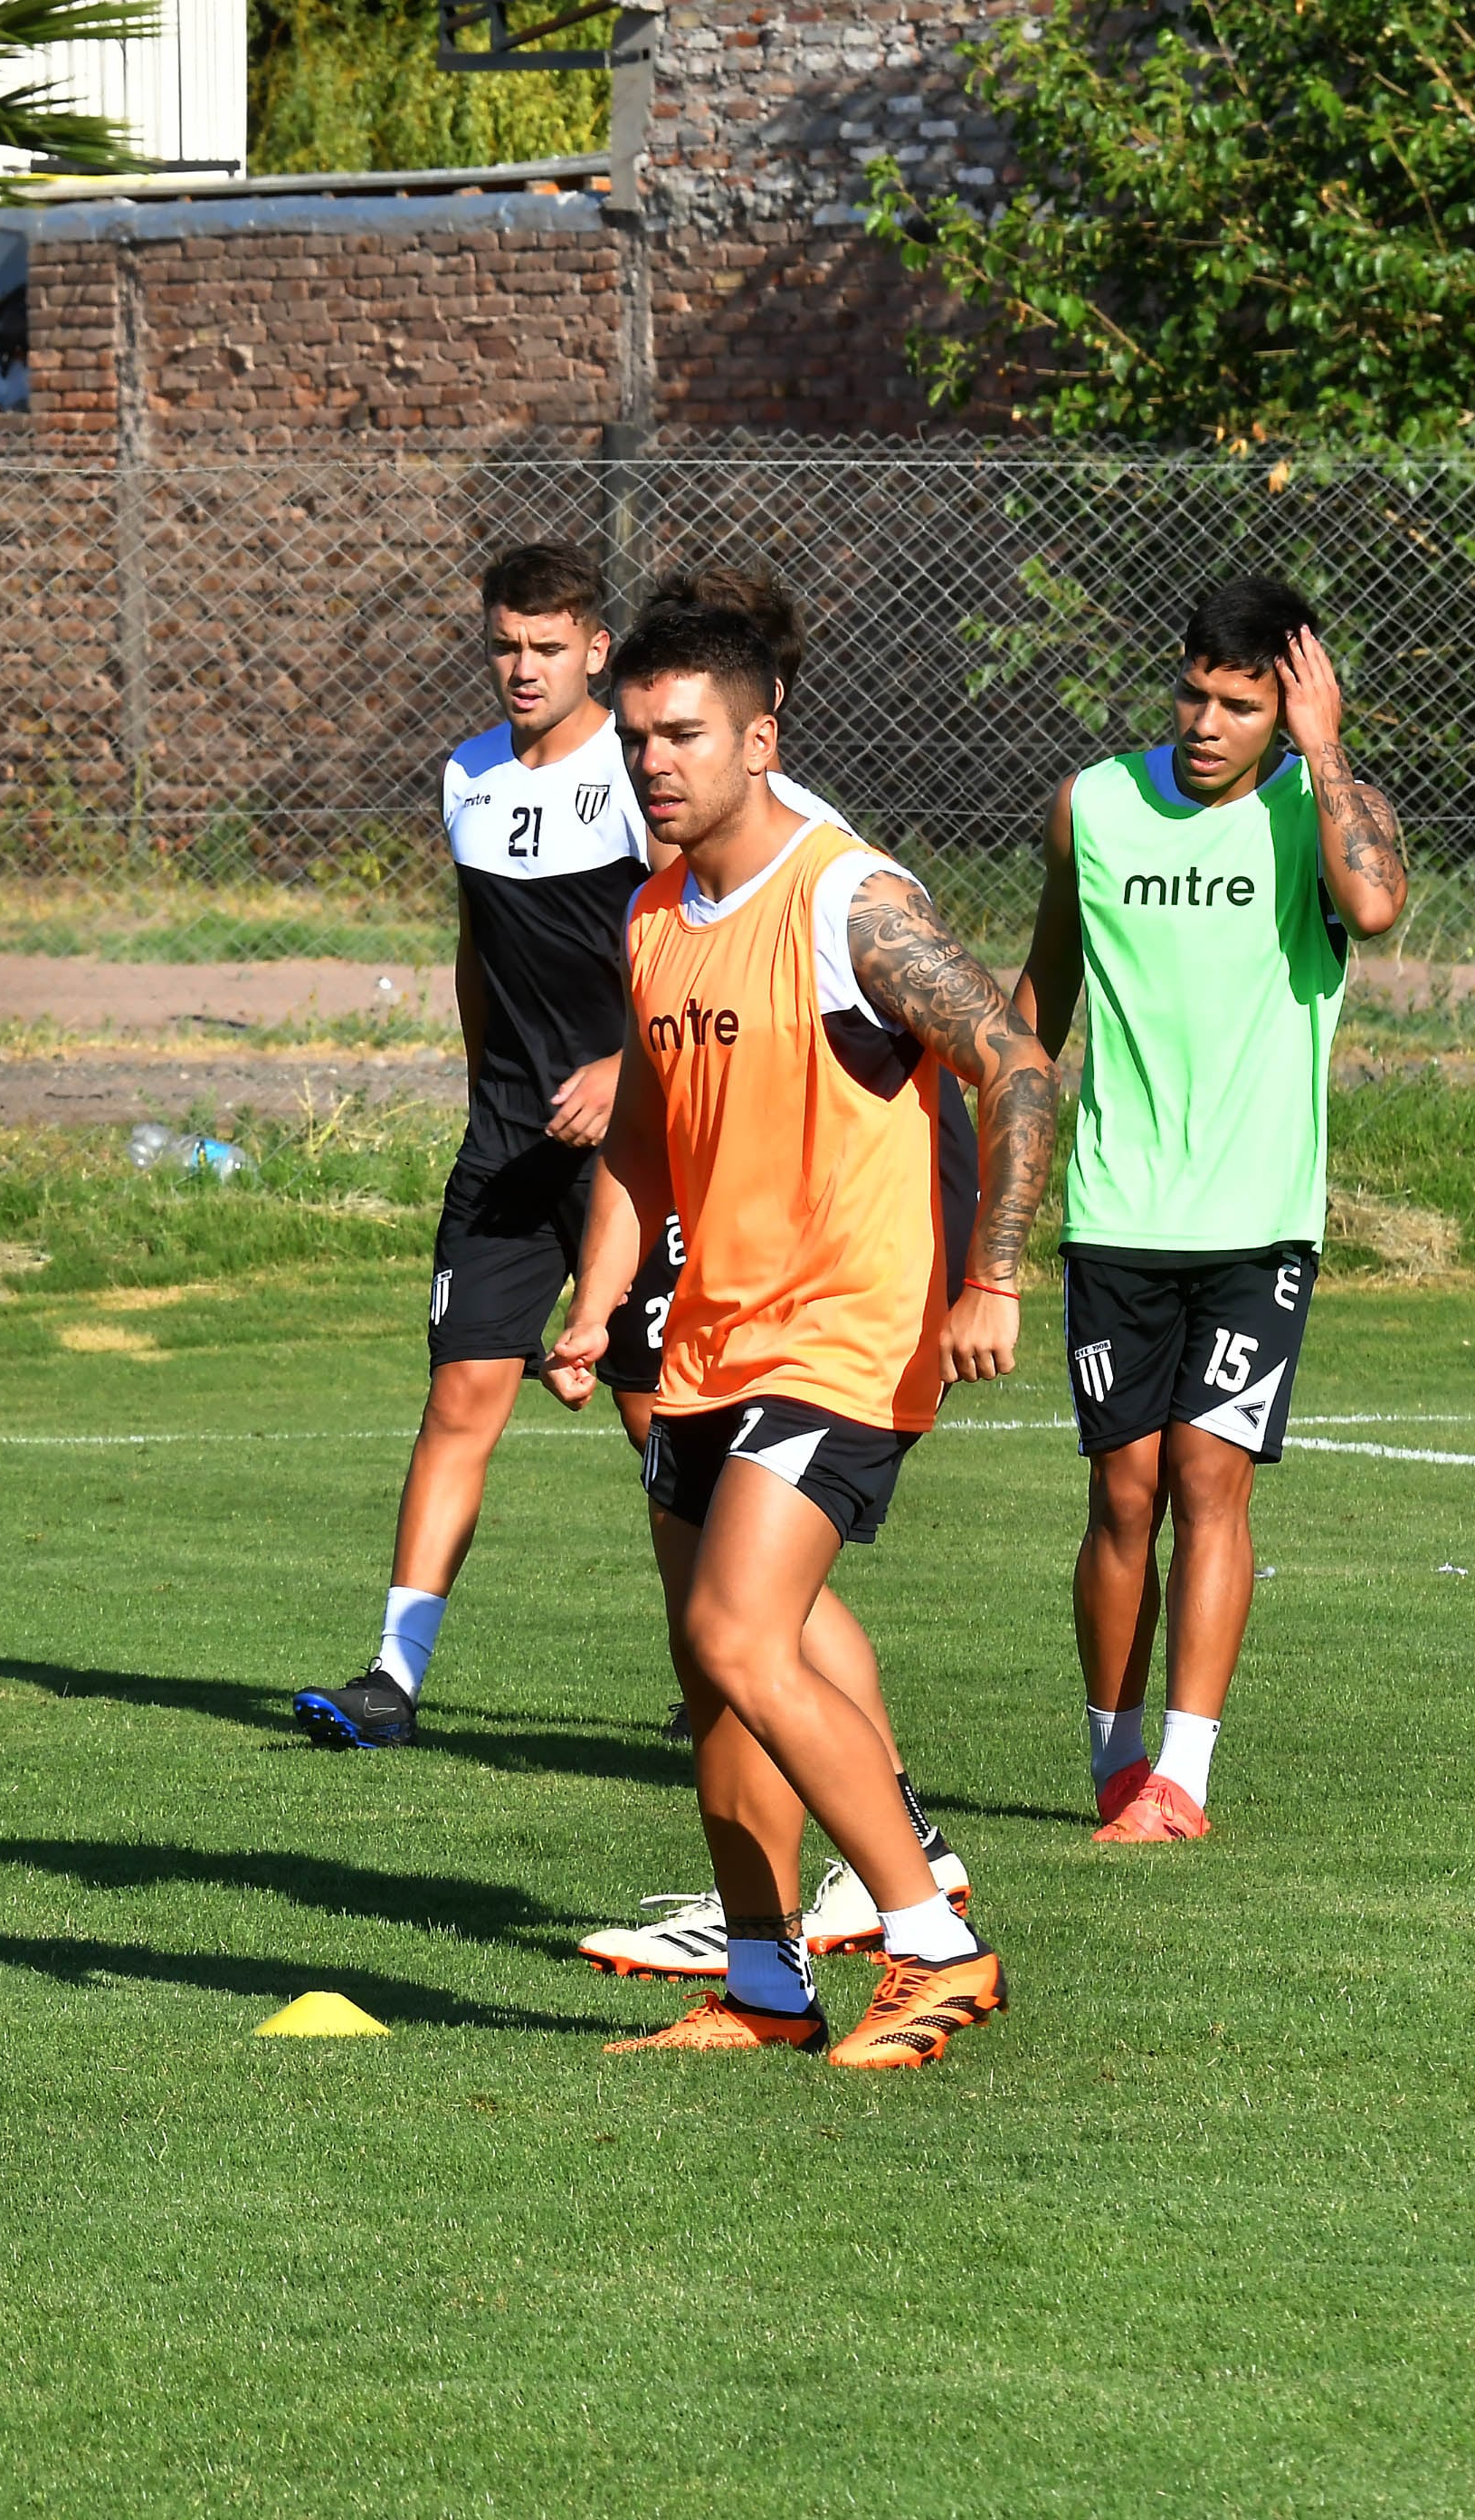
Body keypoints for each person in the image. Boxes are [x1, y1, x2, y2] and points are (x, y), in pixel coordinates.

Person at [545, 606, 1057, 2068]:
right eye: (635, 736)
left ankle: (938, 1942)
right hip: (709, 1334)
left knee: (738, 1628)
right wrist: (594, 1304)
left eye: (682, 733)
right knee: (707, 1671)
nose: (651, 761)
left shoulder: (845, 900)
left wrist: (995, 1274)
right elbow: (643, 1133)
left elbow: (1012, 1067)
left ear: (760, 739)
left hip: (846, 1328)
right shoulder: (654, 916)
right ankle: (766, 1984)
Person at [1013, 580, 1404, 1842]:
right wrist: (993, 1214)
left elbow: (1379, 905)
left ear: (1284, 710)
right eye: (1195, 692)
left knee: (1205, 1481)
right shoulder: (1094, 805)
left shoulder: (1315, 811)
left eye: (1243, 704)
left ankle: (1184, 1777)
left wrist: (1326, 744)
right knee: (1121, 1494)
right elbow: (1041, 1001)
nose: (1208, 721)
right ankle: (1114, 1759)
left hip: (1257, 1222)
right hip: (1116, 1212)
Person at [291, 543, 676, 1751]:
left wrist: (625, 1071)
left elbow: (694, 941)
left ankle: (722, 1659)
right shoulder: (464, 775)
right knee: (459, 1393)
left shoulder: (634, 776)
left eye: (548, 645)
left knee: (656, 1409)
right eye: (506, 642)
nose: (523, 666)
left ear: (597, 652)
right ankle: (393, 1680)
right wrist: (483, 1088)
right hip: (508, 1139)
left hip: (636, 1142)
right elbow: (479, 951)